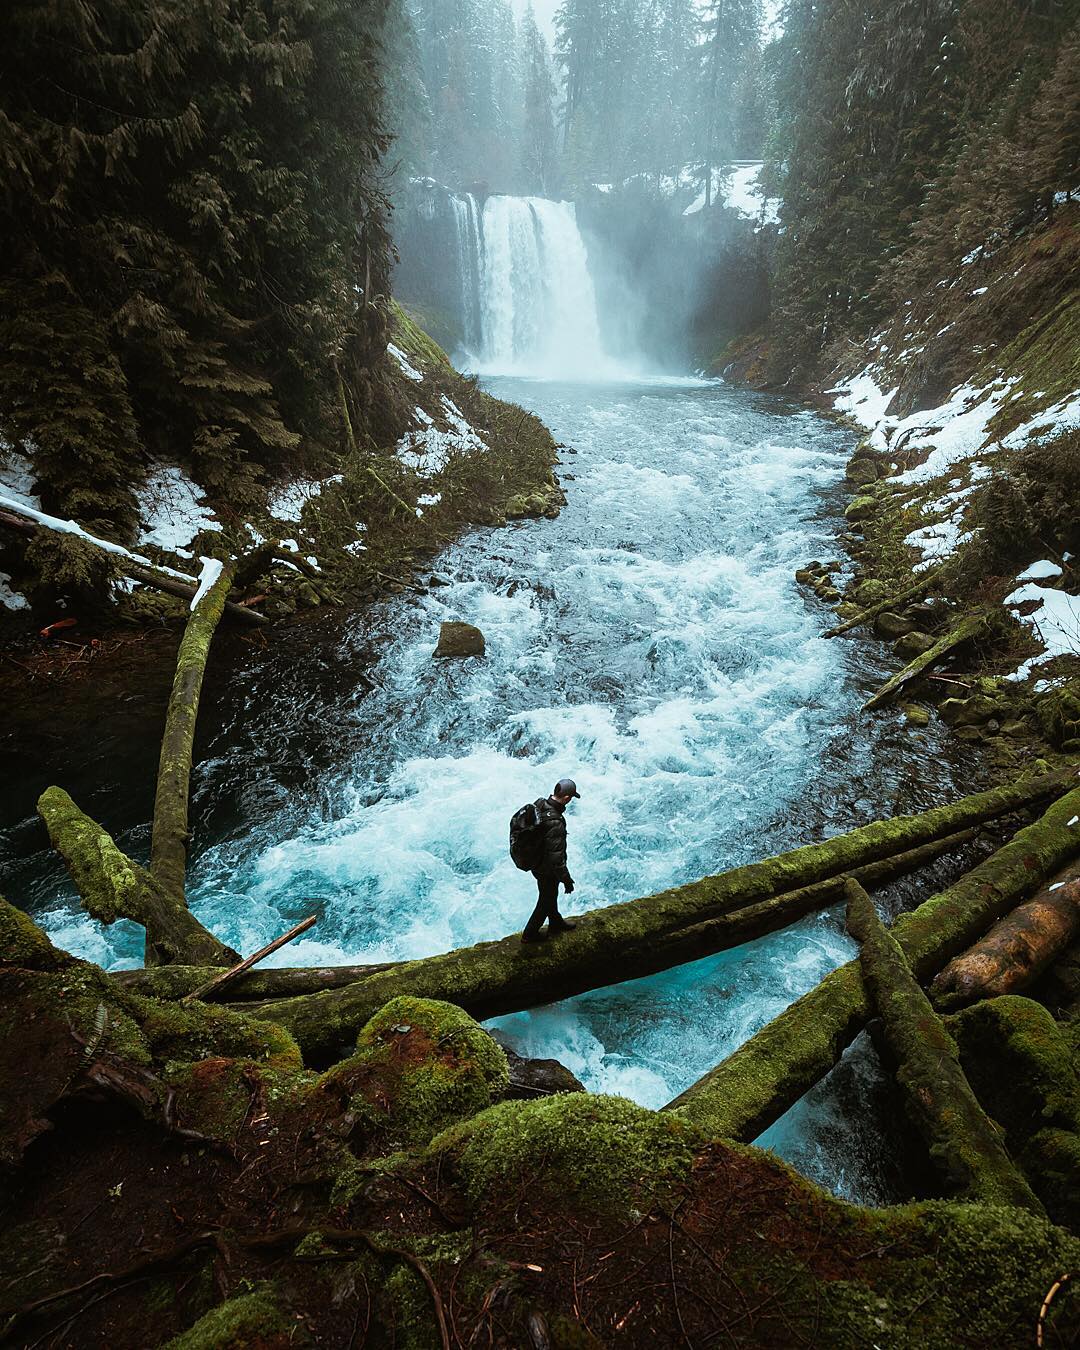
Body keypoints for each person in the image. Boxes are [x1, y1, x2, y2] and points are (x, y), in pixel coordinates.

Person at [521, 778, 580, 943]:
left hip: (536, 862)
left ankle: (555, 922)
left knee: (549, 894)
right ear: (567, 798)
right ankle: (529, 934)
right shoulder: (555, 822)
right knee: (546, 900)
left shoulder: (540, 804)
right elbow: (556, 858)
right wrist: (567, 880)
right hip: (546, 867)